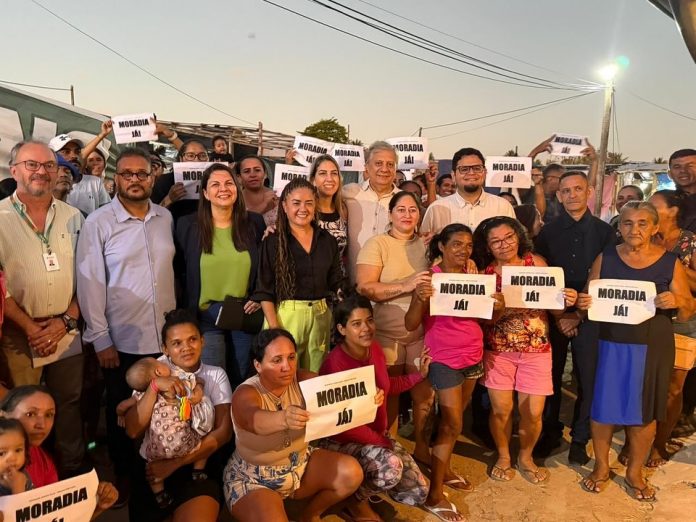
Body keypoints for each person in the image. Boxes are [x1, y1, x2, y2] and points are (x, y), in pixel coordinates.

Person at [77, 146, 176, 505]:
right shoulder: (98, 222)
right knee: (122, 412)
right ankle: (125, 478)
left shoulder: (165, 217)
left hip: (162, 339)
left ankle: (160, 475)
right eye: (127, 173)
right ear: (116, 178)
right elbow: (89, 281)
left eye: (142, 173)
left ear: (152, 177)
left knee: (162, 410)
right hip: (121, 340)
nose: (135, 179)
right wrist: (100, 337)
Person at [576, 201, 693, 502]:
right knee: (602, 407)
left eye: (642, 223)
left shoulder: (670, 262)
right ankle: (601, 467)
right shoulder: (606, 257)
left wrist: (676, 302)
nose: (634, 229)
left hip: (651, 346)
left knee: (644, 411)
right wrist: (583, 302)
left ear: (654, 228)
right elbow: (589, 297)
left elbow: (688, 309)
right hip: (608, 342)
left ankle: (634, 472)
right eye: (627, 223)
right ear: (619, 226)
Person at [405, 224, 504, 521]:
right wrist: (420, 298)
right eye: (457, 244)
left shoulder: (474, 279)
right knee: (452, 424)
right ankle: (434, 495)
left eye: (469, 245)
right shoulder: (430, 279)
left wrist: (498, 307)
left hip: (473, 355)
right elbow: (411, 324)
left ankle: (444, 470)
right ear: (442, 246)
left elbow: (486, 320)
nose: (464, 250)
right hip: (444, 359)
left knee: (455, 421)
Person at [0, 140, 86, 477]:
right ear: (14, 171)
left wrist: (66, 320)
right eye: (32, 164)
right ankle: (29, 481)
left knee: (69, 407)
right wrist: (29, 327)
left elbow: (89, 276)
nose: (42, 171)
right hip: (19, 335)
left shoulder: (75, 217)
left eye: (49, 165)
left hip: (66, 331)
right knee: (23, 411)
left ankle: (72, 479)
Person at [473, 216, 577, 485]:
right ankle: (504, 456)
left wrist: (567, 299)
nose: (504, 244)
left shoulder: (537, 263)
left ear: (519, 236)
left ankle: (526, 457)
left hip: (537, 349)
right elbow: (482, 321)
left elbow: (556, 310)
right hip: (498, 350)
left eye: (508, 237)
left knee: (533, 411)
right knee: (501, 410)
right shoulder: (484, 275)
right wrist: (498, 310)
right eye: (495, 241)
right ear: (487, 246)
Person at [224, 328, 363, 522]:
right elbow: (252, 419)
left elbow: (341, 393)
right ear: (258, 365)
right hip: (254, 479)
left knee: (351, 473)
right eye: (277, 360)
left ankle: (310, 515)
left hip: (300, 466)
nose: (287, 367)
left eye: (291, 357)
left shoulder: (305, 380)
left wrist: (368, 396)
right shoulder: (246, 393)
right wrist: (283, 418)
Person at [320, 295, 430, 522]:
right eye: (356, 324)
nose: (366, 328)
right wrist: (383, 443)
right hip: (341, 440)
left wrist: (418, 376)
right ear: (341, 329)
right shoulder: (335, 364)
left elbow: (387, 387)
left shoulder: (375, 349)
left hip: (376, 435)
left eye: (369, 320)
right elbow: (343, 424)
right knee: (392, 468)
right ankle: (353, 501)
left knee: (417, 491)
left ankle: (363, 486)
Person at [534, 171, 617, 464]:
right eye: (566, 190)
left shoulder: (606, 233)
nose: (572, 195)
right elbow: (541, 276)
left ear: (589, 191)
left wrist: (578, 315)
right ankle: (549, 433)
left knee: (588, 378)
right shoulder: (547, 233)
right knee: (549, 377)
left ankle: (581, 438)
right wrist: (560, 315)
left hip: (591, 315)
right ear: (559, 195)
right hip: (554, 316)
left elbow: (606, 276)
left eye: (578, 189)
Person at [123, 310, 232, 520]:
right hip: (153, 468)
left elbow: (224, 433)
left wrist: (174, 464)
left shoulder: (215, 374)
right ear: (165, 349)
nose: (186, 348)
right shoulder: (152, 370)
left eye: (192, 339)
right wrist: (154, 387)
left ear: (202, 341)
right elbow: (132, 430)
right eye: (176, 343)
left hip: (197, 465)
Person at [355, 191, 434, 468]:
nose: (407, 214)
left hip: (422, 332)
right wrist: (406, 285)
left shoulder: (428, 245)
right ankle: (390, 452)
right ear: (390, 214)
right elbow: (365, 287)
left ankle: (422, 449)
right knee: (388, 396)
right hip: (386, 334)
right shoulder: (377, 243)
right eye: (401, 209)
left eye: (413, 209)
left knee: (424, 396)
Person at [175, 163, 266, 386]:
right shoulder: (187, 225)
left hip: (243, 313)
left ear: (237, 188)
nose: (223, 189)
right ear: (205, 193)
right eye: (215, 184)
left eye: (229, 183)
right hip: (206, 316)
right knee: (213, 382)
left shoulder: (255, 223)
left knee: (244, 379)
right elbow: (179, 269)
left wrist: (258, 296)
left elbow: (264, 267)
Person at [254, 178, 343, 372]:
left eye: (309, 203)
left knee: (315, 377)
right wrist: (275, 329)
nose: (303, 208)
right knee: (283, 376)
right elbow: (264, 290)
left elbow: (336, 280)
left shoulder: (327, 240)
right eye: (296, 203)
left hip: (320, 317)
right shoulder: (273, 241)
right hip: (285, 317)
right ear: (284, 206)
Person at [636, 190, 696, 466]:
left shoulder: (689, 242)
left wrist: (672, 267)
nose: (647, 209)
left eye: (654, 205)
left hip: (682, 322)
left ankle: (660, 443)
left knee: (673, 388)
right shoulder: (641, 237)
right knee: (641, 384)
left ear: (672, 211)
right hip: (645, 320)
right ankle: (636, 442)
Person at [0, 385, 118, 516]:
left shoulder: (45, 461)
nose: (42, 425)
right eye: (30, 414)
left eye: (49, 415)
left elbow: (53, 517)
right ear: (3, 415)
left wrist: (96, 504)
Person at [120, 356, 213, 508]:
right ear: (158, 371)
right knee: (204, 436)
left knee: (150, 464)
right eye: (160, 363)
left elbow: (122, 406)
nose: (164, 363)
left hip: (158, 449)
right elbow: (195, 398)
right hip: (184, 443)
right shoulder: (175, 384)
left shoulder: (141, 395)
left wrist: (119, 414)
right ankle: (198, 470)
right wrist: (200, 384)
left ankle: (159, 494)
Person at [421, 147, 515, 235]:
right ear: (453, 175)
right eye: (464, 169)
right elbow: (424, 243)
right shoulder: (436, 209)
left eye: (477, 168)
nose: (471, 173)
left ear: (485, 173)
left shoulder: (502, 206)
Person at [343, 141, 400, 283]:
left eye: (390, 164)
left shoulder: (404, 200)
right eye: (378, 163)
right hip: (354, 283)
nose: (384, 169)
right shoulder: (349, 192)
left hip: (392, 284)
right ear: (366, 168)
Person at [49, 132, 111, 216]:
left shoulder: (95, 182)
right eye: (66, 152)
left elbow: (108, 214)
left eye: (77, 152)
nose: (74, 156)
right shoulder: (45, 184)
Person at [152, 138, 208, 223]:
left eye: (202, 156)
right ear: (181, 159)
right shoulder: (164, 181)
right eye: (190, 156)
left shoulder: (213, 181)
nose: (197, 160)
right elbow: (152, 217)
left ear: (208, 159)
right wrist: (169, 199)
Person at [309, 154, 348, 271]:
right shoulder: (305, 210)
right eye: (323, 173)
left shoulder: (343, 210)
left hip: (339, 279)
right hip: (312, 279)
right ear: (313, 180)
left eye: (334, 173)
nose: (329, 178)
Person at [236, 155, 278, 227]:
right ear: (239, 178)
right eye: (246, 171)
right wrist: (264, 204)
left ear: (265, 174)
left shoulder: (277, 195)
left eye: (257, 170)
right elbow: (240, 223)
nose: (252, 175)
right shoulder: (234, 200)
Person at [0, 418, 32, 495]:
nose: (13, 458)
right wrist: (18, 489)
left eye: (18, 450)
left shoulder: (23, 475)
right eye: (1, 453)